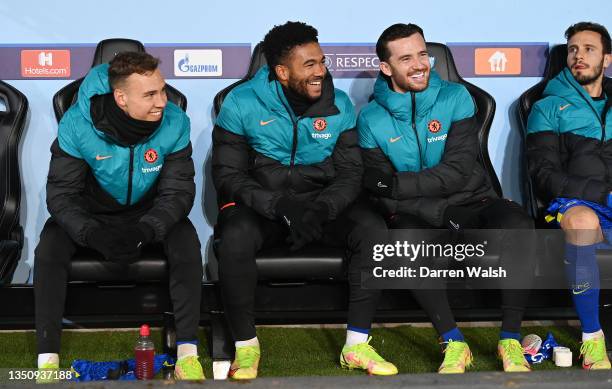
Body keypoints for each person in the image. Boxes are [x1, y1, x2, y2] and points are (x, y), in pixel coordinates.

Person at [212, 21, 397, 379]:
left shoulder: (339, 105)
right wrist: (281, 207)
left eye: (321, 61)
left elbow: (350, 174)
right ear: (282, 71)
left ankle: (356, 345)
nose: (320, 71)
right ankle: (246, 348)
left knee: (372, 228)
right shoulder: (240, 102)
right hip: (264, 208)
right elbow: (228, 176)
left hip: (319, 206)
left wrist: (322, 208)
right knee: (234, 237)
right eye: (309, 65)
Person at [358, 23, 535, 373]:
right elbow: (379, 192)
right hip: (420, 213)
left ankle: (510, 339)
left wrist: (397, 185)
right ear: (385, 67)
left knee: (519, 225)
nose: (420, 64)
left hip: (473, 201)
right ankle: (454, 342)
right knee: (404, 241)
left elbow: (456, 170)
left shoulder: (456, 97)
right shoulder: (369, 119)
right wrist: (441, 210)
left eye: (423, 54)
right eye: (406, 58)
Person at [34, 52, 205, 380]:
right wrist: (92, 233)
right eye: (150, 94)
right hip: (92, 214)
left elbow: (177, 193)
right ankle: (47, 361)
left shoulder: (175, 122)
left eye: (163, 90)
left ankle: (187, 353)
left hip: (147, 214)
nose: (163, 101)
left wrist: (145, 230)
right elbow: (63, 195)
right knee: (49, 247)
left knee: (186, 240)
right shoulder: (77, 124)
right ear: (121, 97)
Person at [527, 21, 611, 370]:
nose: (579, 56)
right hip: (574, 203)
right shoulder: (547, 107)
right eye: (573, 50)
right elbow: (544, 176)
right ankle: (592, 340)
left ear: (606, 59)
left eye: (589, 49)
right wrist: (603, 195)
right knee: (582, 221)